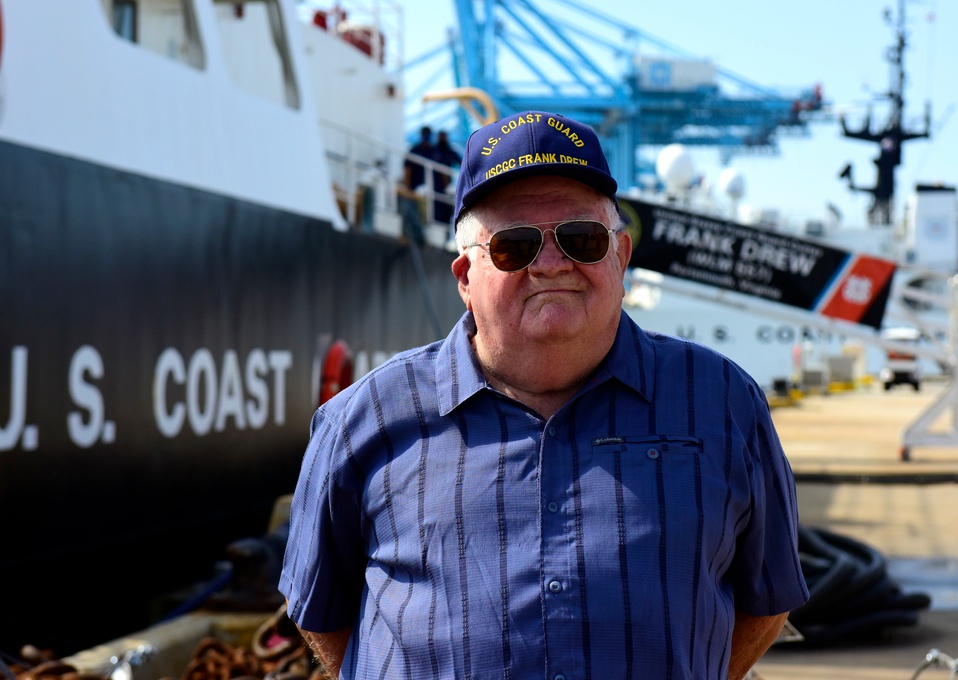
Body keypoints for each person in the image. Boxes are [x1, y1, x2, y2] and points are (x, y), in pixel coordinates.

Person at [279, 111, 809, 679]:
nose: (553, 263)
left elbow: (767, 600)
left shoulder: (725, 403)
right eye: (515, 246)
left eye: (581, 239)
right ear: (464, 276)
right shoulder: (359, 422)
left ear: (621, 257)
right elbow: (321, 615)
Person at [431, 129, 462, 223]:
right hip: (435, 185)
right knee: (435, 208)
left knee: (447, 210)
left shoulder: (450, 151)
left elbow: (462, 164)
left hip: (446, 187)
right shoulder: (433, 150)